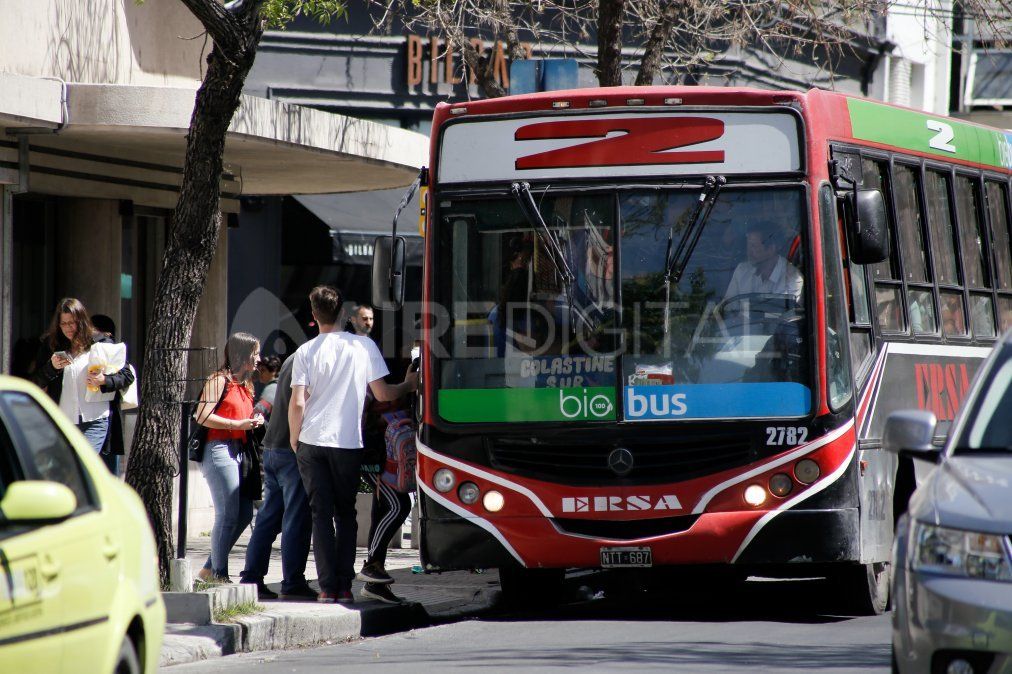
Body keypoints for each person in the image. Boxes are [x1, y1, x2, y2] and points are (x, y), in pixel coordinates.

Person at [289, 285, 417, 604]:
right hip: (348, 442)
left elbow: (297, 402)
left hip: (311, 441)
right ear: (343, 313)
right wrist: (410, 384)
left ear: (313, 314)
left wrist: (295, 437)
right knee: (345, 514)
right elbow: (385, 394)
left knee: (320, 515)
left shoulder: (306, 352)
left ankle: (327, 588)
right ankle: (345, 586)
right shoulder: (363, 347)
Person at [238, 356, 316, 600]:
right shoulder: (311, 358)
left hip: (272, 448)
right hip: (290, 449)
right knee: (296, 518)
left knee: (268, 518)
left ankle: (251, 578)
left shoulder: (294, 358)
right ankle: (293, 581)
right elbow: (301, 403)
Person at [193, 332, 265, 583]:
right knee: (227, 514)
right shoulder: (219, 380)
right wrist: (239, 423)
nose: (259, 359)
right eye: (255, 353)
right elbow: (201, 416)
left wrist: (255, 421)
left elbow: (241, 419)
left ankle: (208, 569)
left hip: (240, 450)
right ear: (242, 355)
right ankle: (219, 574)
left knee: (244, 513)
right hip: (218, 448)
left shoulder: (246, 385)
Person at [30, 299, 135, 464]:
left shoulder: (101, 343)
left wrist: (104, 380)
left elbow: (127, 375)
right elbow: (36, 382)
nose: (68, 328)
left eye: (72, 322)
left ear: (82, 320)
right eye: (63, 323)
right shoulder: (52, 346)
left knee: (82, 464)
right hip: (63, 421)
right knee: (66, 470)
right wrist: (51, 367)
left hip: (95, 419)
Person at [724, 220, 803, 302]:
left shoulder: (792, 278)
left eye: (754, 246)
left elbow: (791, 312)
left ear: (771, 248)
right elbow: (728, 309)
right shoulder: (742, 271)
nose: (749, 251)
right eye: (748, 245)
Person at [253, 355, 282, 421]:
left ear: (273, 371)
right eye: (259, 370)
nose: (260, 373)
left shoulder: (272, 388)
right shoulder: (278, 386)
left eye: (263, 370)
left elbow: (259, 410)